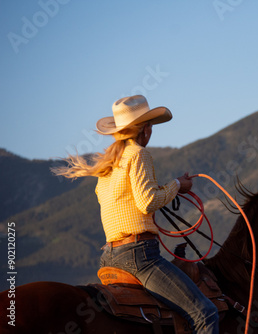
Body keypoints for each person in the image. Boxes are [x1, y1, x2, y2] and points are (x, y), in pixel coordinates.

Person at [52, 95, 219, 333]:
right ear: (145, 129)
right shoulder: (138, 154)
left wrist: (165, 189)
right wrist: (176, 185)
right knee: (205, 313)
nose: (152, 130)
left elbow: (126, 203)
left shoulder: (108, 165)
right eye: (150, 124)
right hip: (140, 257)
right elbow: (147, 201)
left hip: (110, 256)